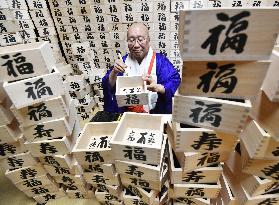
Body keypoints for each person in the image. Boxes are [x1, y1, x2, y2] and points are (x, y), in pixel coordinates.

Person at [102, 22, 181, 114]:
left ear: (148, 40)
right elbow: (108, 86)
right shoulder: (122, 62)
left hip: (155, 114)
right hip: (127, 115)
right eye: (131, 40)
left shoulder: (160, 62)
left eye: (140, 39)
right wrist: (114, 73)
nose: (136, 45)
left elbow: (175, 82)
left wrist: (159, 88)